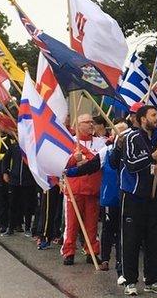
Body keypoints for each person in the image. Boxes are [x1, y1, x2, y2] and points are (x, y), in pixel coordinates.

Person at [119, 105, 157, 295]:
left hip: (155, 197)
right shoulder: (131, 137)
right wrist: (150, 158)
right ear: (142, 119)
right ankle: (130, 281)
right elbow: (131, 164)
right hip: (133, 196)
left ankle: (153, 280)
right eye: (153, 115)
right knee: (131, 240)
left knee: (155, 241)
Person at [61, 113, 106, 265]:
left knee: (92, 224)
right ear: (78, 125)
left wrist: (85, 158)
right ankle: (68, 252)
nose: (91, 125)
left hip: (92, 189)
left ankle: (92, 251)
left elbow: (100, 160)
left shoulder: (100, 142)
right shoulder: (69, 141)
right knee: (72, 224)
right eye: (87, 122)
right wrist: (75, 158)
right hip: (74, 190)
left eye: (91, 122)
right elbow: (63, 164)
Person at [1, 138, 36, 236]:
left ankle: (28, 228)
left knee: (28, 206)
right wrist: (5, 172)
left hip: (28, 181)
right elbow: (6, 159)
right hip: (14, 181)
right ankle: (10, 227)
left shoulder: (33, 147)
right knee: (12, 205)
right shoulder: (15, 146)